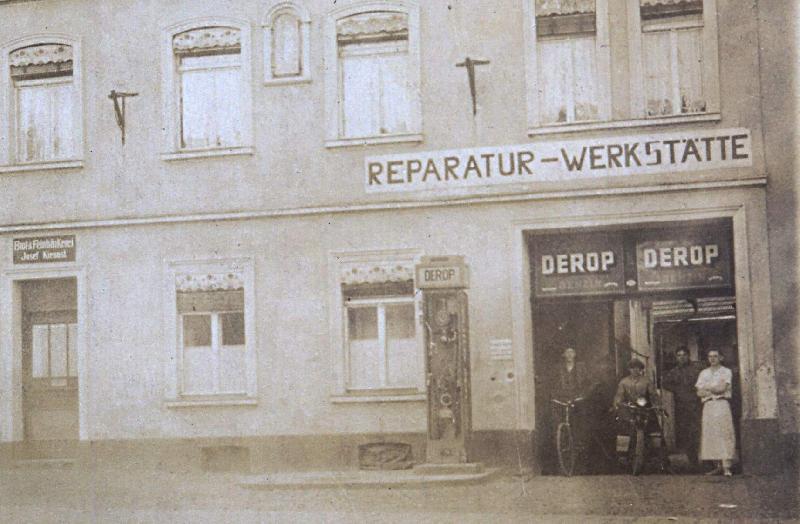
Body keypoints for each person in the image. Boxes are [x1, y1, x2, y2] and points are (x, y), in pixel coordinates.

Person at [695, 349, 737, 477]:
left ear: (721, 358)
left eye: (715, 356)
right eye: (710, 356)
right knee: (711, 434)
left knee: (724, 433)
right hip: (708, 405)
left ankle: (727, 467)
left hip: (721, 404)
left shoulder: (726, 371)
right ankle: (717, 466)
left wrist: (707, 388)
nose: (712, 359)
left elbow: (722, 389)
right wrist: (712, 389)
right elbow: (699, 392)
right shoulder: (704, 373)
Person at [662, 347, 704, 469]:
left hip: (697, 405)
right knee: (686, 433)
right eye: (679, 355)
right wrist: (677, 390)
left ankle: (706, 460)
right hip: (681, 406)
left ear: (688, 356)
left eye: (684, 355)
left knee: (698, 432)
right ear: (676, 357)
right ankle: (693, 461)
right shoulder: (674, 372)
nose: (681, 357)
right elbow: (665, 383)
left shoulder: (696, 369)